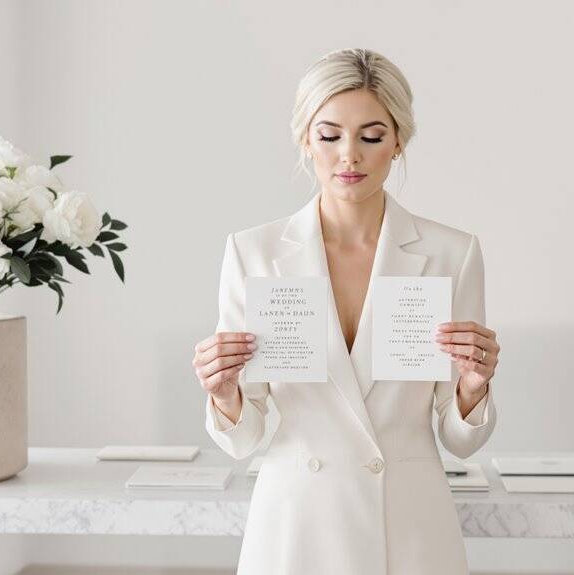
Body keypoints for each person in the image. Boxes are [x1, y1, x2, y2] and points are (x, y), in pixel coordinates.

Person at [192, 48, 499, 575]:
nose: (349, 156)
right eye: (329, 135)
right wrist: (225, 395)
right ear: (304, 139)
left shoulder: (454, 253)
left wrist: (472, 390)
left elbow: (458, 437)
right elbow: (245, 440)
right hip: (296, 528)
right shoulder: (255, 253)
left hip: (407, 527)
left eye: (371, 136)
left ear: (399, 141)